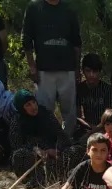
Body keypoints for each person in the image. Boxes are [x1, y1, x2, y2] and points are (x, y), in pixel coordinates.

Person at [22, 0, 81, 136]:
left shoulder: (69, 8)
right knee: (43, 111)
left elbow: (76, 42)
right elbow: (26, 40)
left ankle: (67, 143)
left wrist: (77, 69)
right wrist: (32, 67)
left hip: (67, 69)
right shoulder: (34, 7)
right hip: (43, 70)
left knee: (70, 113)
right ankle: (46, 144)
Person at [9, 89, 83, 187]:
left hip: (54, 157)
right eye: (28, 105)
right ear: (21, 108)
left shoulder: (46, 114)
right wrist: (35, 150)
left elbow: (61, 135)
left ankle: (56, 175)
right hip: (34, 161)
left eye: (34, 102)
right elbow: (16, 144)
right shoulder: (17, 121)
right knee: (19, 154)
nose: (33, 107)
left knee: (77, 150)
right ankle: (37, 178)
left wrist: (57, 150)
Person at [76, 53, 112, 131]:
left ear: (99, 71)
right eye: (88, 71)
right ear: (83, 71)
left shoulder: (107, 89)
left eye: (95, 71)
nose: (91, 75)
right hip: (86, 128)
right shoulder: (79, 89)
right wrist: (90, 127)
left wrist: (97, 128)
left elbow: (110, 115)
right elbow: (77, 116)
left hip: (106, 128)